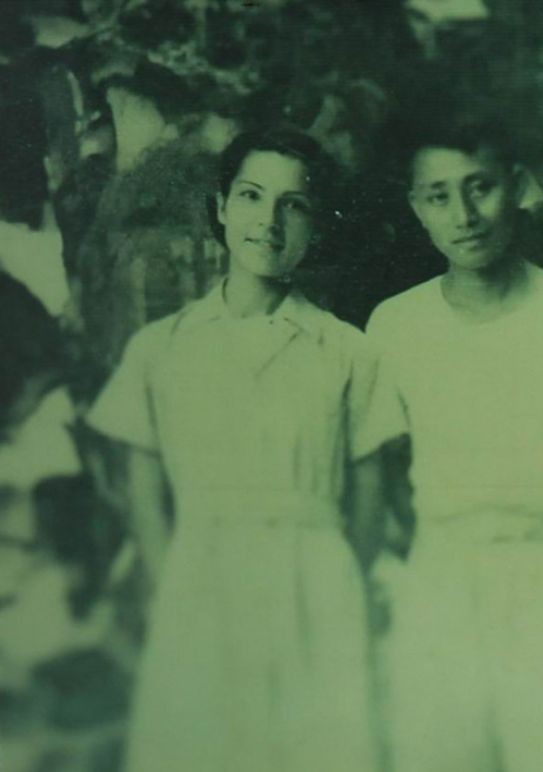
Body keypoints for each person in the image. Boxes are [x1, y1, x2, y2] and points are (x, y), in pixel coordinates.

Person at [87, 127, 404, 772]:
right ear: (222, 207)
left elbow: (369, 500)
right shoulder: (161, 347)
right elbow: (143, 493)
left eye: (294, 204)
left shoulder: (349, 349)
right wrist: (174, 586)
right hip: (200, 578)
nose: (269, 221)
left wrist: (338, 585)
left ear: (316, 223)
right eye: (252, 196)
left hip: (317, 582)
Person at [367, 109, 543, 772]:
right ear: (416, 207)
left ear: (516, 186)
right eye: (439, 196)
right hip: (440, 575)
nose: (464, 215)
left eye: (480, 187)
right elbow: (389, 470)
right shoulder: (394, 326)